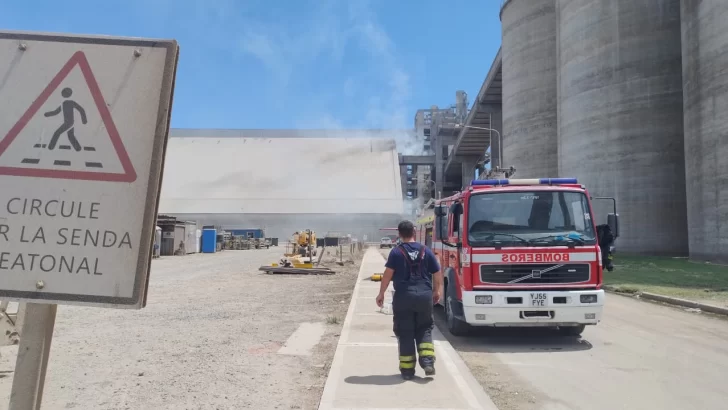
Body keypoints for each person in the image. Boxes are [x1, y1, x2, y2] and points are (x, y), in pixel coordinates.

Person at [376, 220, 443, 380]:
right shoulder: (426, 251)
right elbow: (437, 272)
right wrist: (437, 290)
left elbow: (387, 275)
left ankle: (407, 371)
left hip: (403, 297)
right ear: (414, 232)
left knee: (405, 331)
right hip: (424, 296)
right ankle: (428, 363)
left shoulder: (396, 252)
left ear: (399, 234)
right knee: (425, 328)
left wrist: (381, 293)